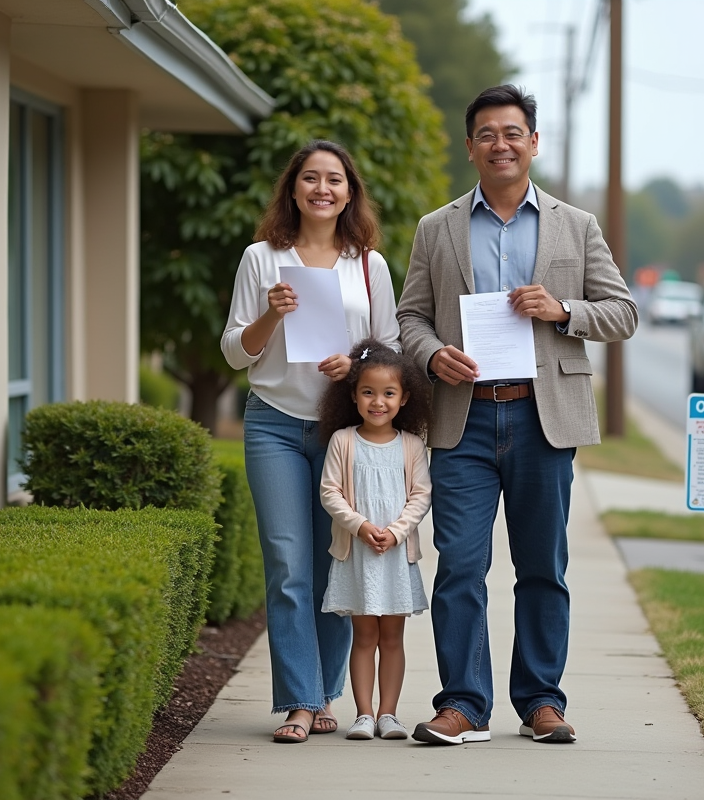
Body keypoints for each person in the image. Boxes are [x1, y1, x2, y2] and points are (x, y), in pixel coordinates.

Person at [396, 85, 638, 745]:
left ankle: (540, 703)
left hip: (542, 420)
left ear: (533, 142)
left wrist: (563, 310)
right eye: (486, 134)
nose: (499, 144)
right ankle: (463, 706)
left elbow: (622, 313)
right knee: (461, 566)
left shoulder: (575, 225)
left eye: (512, 132)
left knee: (541, 567)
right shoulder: (436, 228)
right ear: (469, 145)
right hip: (462, 421)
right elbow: (409, 316)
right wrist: (431, 353)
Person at [221, 140, 401, 744]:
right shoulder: (260, 258)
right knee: (287, 565)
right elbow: (234, 352)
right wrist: (271, 315)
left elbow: (390, 352)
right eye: (310, 178)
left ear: (350, 192)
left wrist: (352, 368)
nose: (322, 189)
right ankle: (301, 700)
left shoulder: (368, 264)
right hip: (272, 421)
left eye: (335, 180)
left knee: (336, 566)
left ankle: (326, 692)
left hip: (341, 431)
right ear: (292, 188)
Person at [315, 338, 433, 741]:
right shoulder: (343, 441)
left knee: (392, 638)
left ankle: (389, 714)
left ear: (404, 398)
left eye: (388, 393)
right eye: (368, 392)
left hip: (395, 557)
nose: (377, 402)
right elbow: (330, 492)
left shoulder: (412, 446)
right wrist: (361, 526)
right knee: (364, 636)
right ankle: (363, 714)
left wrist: (396, 532)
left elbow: (421, 494)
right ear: (353, 395)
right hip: (358, 553)